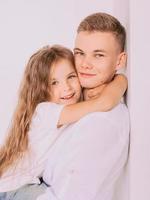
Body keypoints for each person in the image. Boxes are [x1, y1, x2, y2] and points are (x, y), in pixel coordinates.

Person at [0, 43, 126, 199]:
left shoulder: (64, 110)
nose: (66, 87)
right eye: (54, 83)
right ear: (41, 89)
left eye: (71, 77)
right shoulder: (44, 112)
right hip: (15, 189)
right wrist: (121, 79)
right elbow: (103, 103)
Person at [35, 12, 129, 200]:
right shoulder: (76, 99)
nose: (85, 64)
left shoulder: (100, 124)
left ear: (119, 61)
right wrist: (119, 80)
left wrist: (120, 81)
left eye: (98, 55)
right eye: (79, 53)